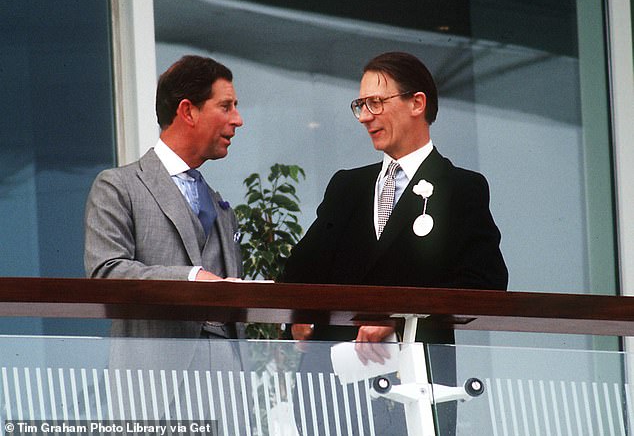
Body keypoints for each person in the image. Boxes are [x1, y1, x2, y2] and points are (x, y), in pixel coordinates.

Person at [280, 51, 508, 434]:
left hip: (416, 388)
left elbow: (484, 283)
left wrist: (397, 317)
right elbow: (300, 272)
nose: (366, 116)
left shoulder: (460, 188)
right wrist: (299, 319)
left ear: (417, 103)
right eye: (360, 105)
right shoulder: (347, 187)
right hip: (334, 394)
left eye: (376, 102)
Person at [84, 55, 246, 422]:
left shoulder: (220, 206)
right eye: (226, 106)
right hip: (152, 392)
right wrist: (191, 278)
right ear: (187, 111)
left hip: (227, 396)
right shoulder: (119, 186)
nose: (238, 119)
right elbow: (106, 273)